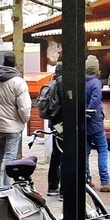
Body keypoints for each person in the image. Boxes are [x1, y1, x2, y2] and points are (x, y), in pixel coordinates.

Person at [0, 52, 31, 188]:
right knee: (10, 157)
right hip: (14, 126)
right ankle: (6, 186)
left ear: (3, 63)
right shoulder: (18, 82)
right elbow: (24, 107)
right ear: (16, 65)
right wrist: (23, 120)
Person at [85, 56, 110, 193]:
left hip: (84, 122)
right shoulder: (96, 82)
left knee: (86, 152)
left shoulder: (81, 81)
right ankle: (105, 182)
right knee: (103, 151)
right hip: (95, 122)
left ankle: (87, 178)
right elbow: (95, 101)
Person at [45, 62, 63, 197]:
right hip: (62, 123)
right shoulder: (62, 82)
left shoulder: (52, 82)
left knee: (56, 154)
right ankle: (64, 190)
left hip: (54, 123)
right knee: (64, 153)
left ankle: (52, 186)